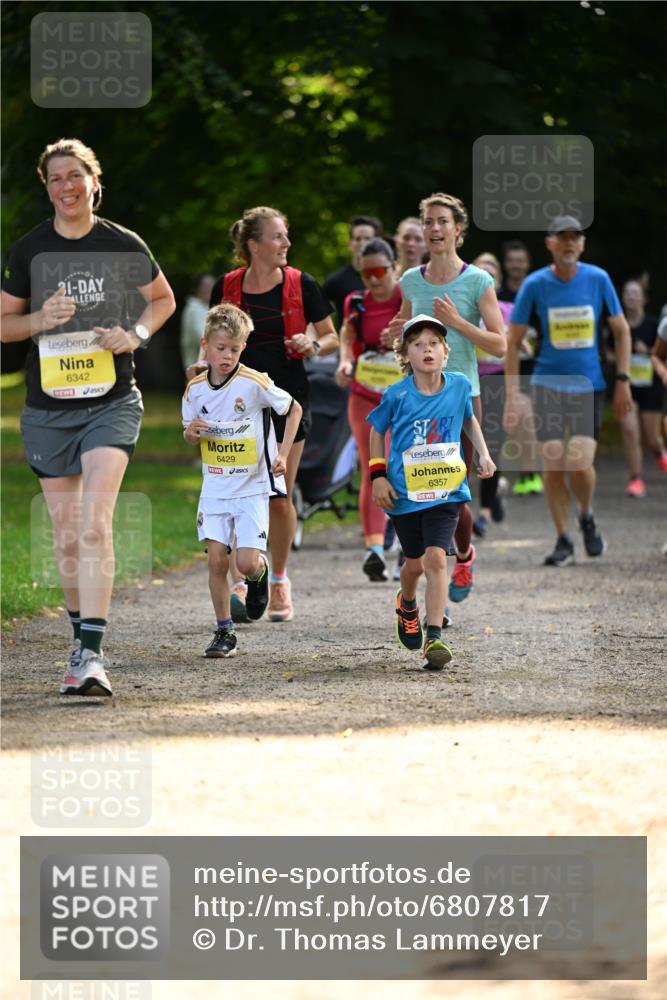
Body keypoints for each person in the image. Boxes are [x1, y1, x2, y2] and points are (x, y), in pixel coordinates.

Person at [0, 137, 176, 696]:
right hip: (49, 410)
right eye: (56, 178)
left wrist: (136, 333)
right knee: (68, 534)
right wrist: (38, 319)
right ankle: (80, 642)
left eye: (76, 175)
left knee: (97, 523)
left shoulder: (122, 243)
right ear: (47, 187)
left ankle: (92, 657)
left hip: (111, 401)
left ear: (94, 181)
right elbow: (4, 324)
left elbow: (163, 300)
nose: (67, 186)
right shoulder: (30, 250)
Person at [203, 206, 338, 622]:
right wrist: (199, 367)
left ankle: (278, 578)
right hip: (233, 408)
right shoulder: (227, 286)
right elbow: (208, 339)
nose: (286, 243)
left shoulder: (302, 284)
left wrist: (311, 346)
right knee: (233, 492)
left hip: (286, 402)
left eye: (286, 235)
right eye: (278, 236)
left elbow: (332, 338)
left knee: (279, 497)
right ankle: (247, 577)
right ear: (253, 244)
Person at [390, 192, 505, 605]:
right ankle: (430, 570)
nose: (435, 229)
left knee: (452, 490)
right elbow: (403, 330)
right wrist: (395, 336)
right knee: (421, 487)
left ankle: (464, 554)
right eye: (429, 223)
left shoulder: (477, 281)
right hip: (416, 399)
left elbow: (500, 345)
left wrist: (456, 322)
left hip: (461, 396)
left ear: (459, 229)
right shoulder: (410, 281)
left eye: (443, 222)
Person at [368, 315, 495, 670]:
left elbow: (469, 419)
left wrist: (483, 453)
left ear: (445, 351)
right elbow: (376, 431)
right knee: (412, 566)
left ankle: (434, 636)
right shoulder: (396, 394)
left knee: (436, 559)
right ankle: (407, 603)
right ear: (406, 354)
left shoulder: (458, 386)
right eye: (418, 344)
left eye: (434, 343)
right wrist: (378, 475)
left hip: (446, 490)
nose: (427, 349)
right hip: (406, 493)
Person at [503, 215, 633, 566]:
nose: (569, 243)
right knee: (553, 463)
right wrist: (514, 394)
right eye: (563, 238)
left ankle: (586, 515)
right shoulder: (535, 284)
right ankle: (563, 538)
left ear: (583, 244)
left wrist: (622, 380)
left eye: (575, 238)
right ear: (550, 244)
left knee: (579, 459)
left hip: (588, 384)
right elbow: (512, 342)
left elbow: (621, 331)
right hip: (546, 383)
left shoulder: (597, 278)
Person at [182, 303, 302, 657]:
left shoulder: (253, 382)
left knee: (246, 563)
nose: (227, 356)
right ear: (205, 345)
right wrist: (191, 432)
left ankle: (260, 576)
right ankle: (224, 632)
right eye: (220, 348)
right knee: (217, 561)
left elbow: (293, 408)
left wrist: (281, 453)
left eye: (234, 349)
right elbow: (188, 433)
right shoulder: (195, 389)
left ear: (243, 348)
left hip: (251, 486)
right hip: (216, 488)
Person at [335, 238, 403, 581]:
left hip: (404, 398)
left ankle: (408, 545)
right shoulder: (356, 302)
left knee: (400, 466)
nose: (373, 279)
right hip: (364, 393)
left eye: (380, 271)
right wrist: (345, 363)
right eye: (366, 273)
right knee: (372, 467)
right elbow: (347, 338)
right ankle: (374, 549)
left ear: (395, 268)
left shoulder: (407, 297)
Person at [612, 279, 666, 497]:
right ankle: (635, 479)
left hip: (651, 386)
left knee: (651, 436)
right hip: (627, 386)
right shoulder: (617, 324)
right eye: (627, 293)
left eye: (636, 293)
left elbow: (660, 355)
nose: (631, 297)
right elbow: (608, 352)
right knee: (630, 430)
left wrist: (645, 353)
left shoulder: (654, 325)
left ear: (644, 298)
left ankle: (659, 451)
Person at [470, 252, 512, 537]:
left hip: (500, 381)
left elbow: (520, 348)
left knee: (491, 445)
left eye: (492, 269)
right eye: (480, 269)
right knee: (469, 448)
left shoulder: (510, 309)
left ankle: (483, 514)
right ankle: (498, 488)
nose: (487, 274)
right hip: (469, 380)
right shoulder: (463, 308)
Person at [498, 240, 542, 496]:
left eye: (520, 260)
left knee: (527, 419)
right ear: (507, 264)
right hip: (499, 366)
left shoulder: (536, 293)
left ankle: (529, 475)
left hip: (531, 366)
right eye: (511, 260)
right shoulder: (497, 295)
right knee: (503, 421)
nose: (515, 265)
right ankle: (496, 475)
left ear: (527, 264)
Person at [322, 215, 383, 329]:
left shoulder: (388, 277)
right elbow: (314, 312)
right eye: (358, 239)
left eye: (368, 239)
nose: (362, 243)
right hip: (348, 344)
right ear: (350, 243)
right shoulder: (336, 280)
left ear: (378, 243)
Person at [180, 272, 215, 369]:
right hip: (197, 368)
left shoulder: (208, 308)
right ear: (198, 288)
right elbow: (201, 336)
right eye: (206, 286)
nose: (210, 289)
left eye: (212, 285)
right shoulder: (193, 309)